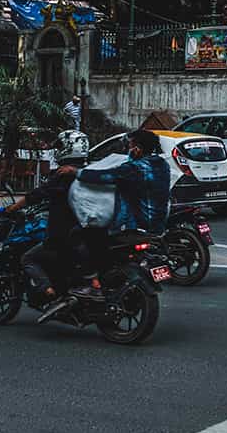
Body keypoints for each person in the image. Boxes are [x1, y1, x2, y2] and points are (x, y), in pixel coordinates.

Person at [48, 129, 171, 312]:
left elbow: (105, 176)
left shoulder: (136, 168)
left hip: (135, 226)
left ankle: (92, 282)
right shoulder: (162, 165)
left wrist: (75, 172)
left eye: (130, 146)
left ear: (137, 149)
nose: (128, 150)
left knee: (79, 234)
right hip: (157, 226)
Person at [3, 134, 90, 322]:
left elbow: (38, 194)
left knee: (28, 258)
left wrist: (12, 208)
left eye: (59, 146)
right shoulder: (89, 172)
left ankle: (49, 292)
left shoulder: (63, 174)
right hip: (86, 235)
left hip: (63, 237)